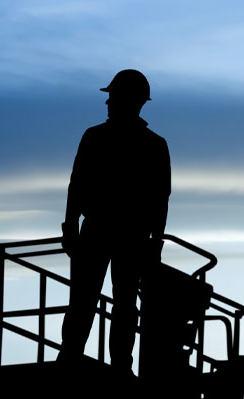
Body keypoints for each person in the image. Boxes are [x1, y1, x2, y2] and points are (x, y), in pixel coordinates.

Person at [58, 69, 171, 373]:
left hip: (113, 233)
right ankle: (110, 363)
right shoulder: (149, 144)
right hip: (119, 234)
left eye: (112, 97)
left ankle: (83, 358)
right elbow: (77, 185)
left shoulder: (104, 138)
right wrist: (155, 242)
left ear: (130, 101)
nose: (107, 103)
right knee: (105, 302)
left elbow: (160, 198)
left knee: (98, 301)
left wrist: (70, 229)